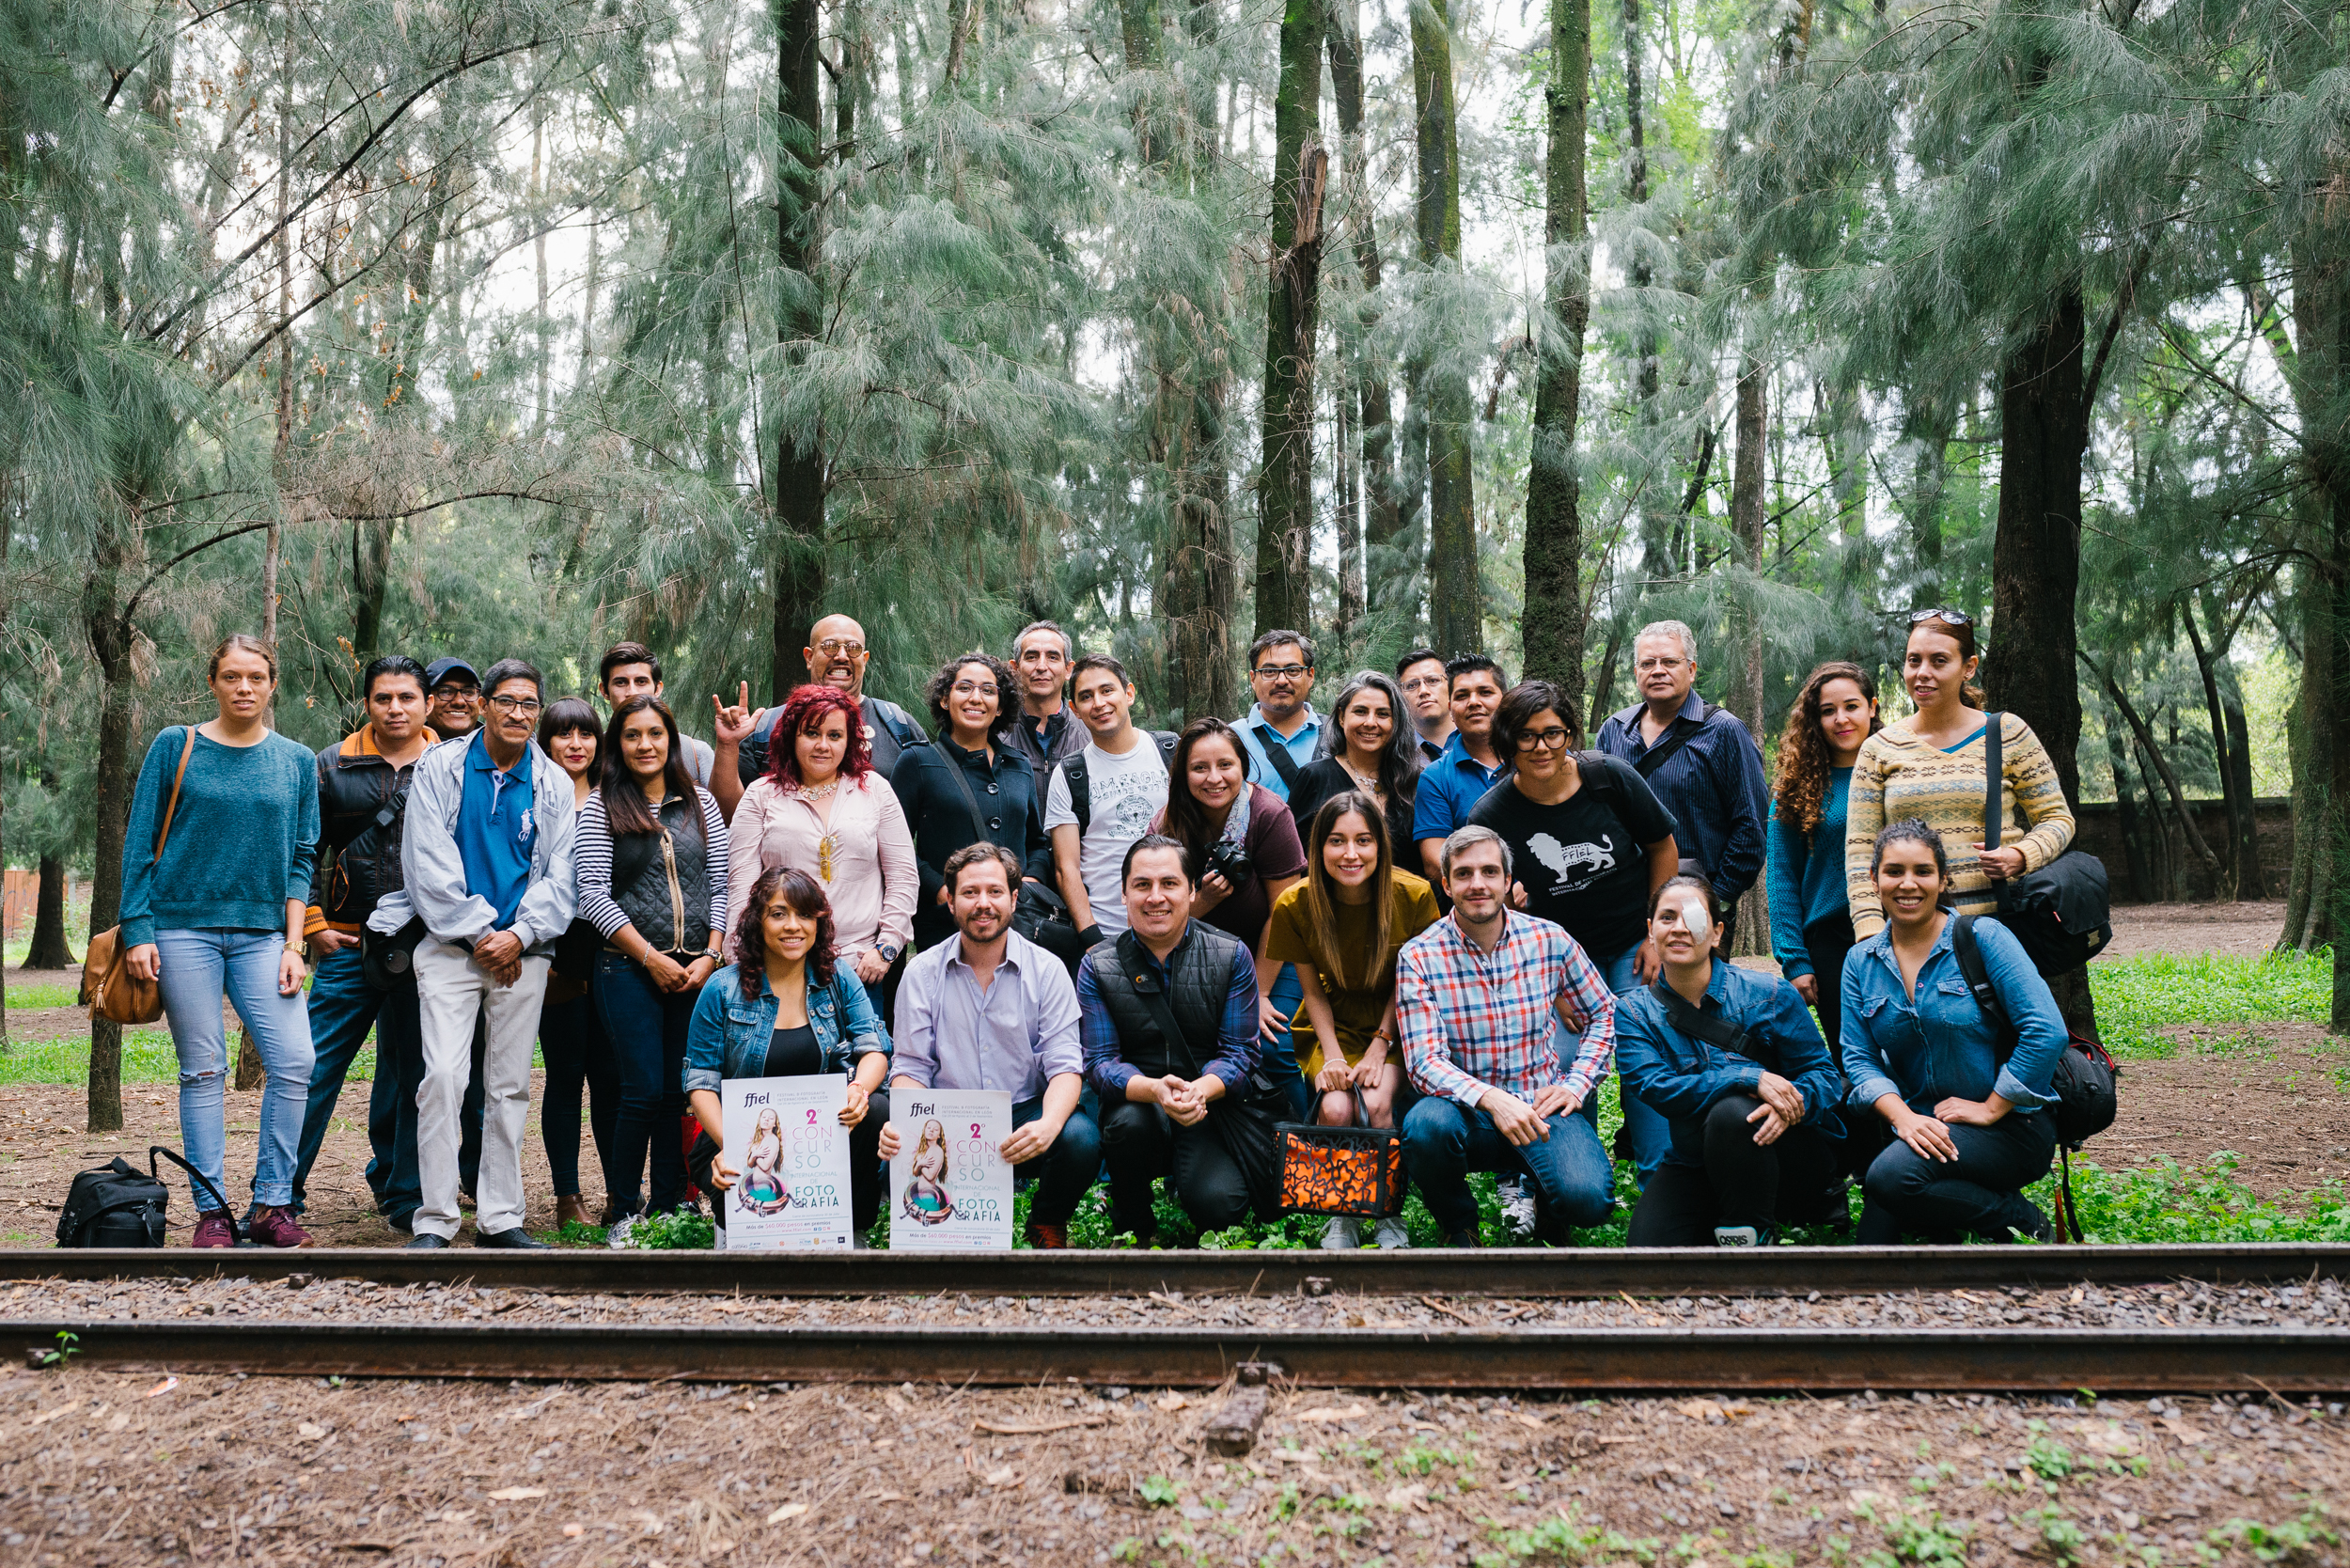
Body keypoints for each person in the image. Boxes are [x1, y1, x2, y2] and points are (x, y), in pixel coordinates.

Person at [118, 635, 321, 1248]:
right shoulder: (175, 746)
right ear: (213, 682)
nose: (243, 688)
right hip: (183, 931)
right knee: (203, 1070)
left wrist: (294, 946)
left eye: (255, 677)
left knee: (293, 1061)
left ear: (272, 683)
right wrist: (138, 929)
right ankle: (211, 1214)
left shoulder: (295, 761)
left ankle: (272, 1205)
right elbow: (140, 842)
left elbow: (302, 857)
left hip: (265, 937)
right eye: (231, 676)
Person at [380, 657, 578, 1250]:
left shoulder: (554, 783)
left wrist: (518, 936)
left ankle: (500, 1217)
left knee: (510, 1084)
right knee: (441, 1076)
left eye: (529, 704)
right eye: (508, 702)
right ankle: (436, 1218)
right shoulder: (440, 768)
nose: (518, 713)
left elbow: (563, 877)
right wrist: (483, 934)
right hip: (448, 948)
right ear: (484, 706)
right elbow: (425, 865)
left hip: (525, 951)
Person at [1465, 681, 1681, 1179]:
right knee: (1560, 1071)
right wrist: (1549, 983)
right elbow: (1499, 904)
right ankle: (1571, 1182)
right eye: (1526, 736)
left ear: (1570, 734)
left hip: (1632, 943)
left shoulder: (1609, 777)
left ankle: (1661, 1181)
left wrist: (1654, 935)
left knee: (1645, 1055)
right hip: (1556, 963)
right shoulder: (1492, 815)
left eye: (1553, 733)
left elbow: (1662, 847)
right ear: (1506, 741)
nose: (1541, 747)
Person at [1841, 819, 2064, 1243]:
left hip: (2011, 1129)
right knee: (1871, 1248)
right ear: (1874, 879)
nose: (1908, 884)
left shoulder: (1983, 938)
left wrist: (1992, 1107)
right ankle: (1950, 1211)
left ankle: (2020, 1218)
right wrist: (1904, 1118)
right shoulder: (1860, 961)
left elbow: (2046, 1030)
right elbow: (1859, 1058)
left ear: (1944, 880)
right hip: (1922, 1128)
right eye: (1894, 871)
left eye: (1923, 871)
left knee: (1888, 1179)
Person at [1395, 826, 1619, 1247]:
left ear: (1506, 881)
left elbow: (1604, 1011)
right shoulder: (1419, 955)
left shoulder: (1548, 939)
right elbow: (1425, 1062)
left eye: (1488, 872)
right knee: (1424, 1126)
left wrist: (1576, 1084)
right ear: (1446, 884)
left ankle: (1554, 1215)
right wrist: (1491, 1099)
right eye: (1463, 874)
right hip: (1464, 1115)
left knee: (1589, 1201)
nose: (1477, 884)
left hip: (1541, 1108)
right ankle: (1459, 1224)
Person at [885, 843, 1100, 1247]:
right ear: (950, 901)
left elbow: (1066, 1066)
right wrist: (909, 1125)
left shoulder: (1048, 970)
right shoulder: (920, 973)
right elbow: (911, 1068)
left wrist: (1048, 1125)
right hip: (947, 1118)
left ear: (1014, 899)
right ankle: (940, 1226)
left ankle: (1046, 1221)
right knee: (892, 1145)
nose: (983, 904)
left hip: (1023, 1112)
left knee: (1080, 1138)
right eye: (969, 893)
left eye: (995, 892)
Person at [1616, 875, 1846, 1247]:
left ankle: (1751, 1232)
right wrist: (1745, 1077)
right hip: (1695, 1159)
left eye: (1692, 918)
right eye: (1667, 917)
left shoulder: (1770, 994)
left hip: (1781, 1151)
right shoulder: (1635, 1012)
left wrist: (1784, 1109)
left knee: (1735, 1115)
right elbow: (1655, 1088)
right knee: (1648, 1249)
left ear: (1717, 932)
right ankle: (1724, 1218)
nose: (1679, 929)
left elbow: (1824, 1077)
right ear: (1651, 930)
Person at [574, 695, 731, 1239]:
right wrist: (651, 958)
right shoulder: (602, 807)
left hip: (695, 972)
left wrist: (711, 954)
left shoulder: (701, 805)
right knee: (639, 1090)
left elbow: (721, 885)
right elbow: (592, 895)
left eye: (656, 734)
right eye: (633, 735)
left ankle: (670, 1206)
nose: (646, 745)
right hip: (628, 970)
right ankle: (621, 1211)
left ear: (672, 741)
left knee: (678, 1092)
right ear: (619, 744)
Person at [290, 654, 435, 1236]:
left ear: (426, 704)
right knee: (311, 1067)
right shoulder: (330, 766)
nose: (395, 709)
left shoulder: (450, 765)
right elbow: (302, 849)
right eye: (383, 698)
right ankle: (279, 1192)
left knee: (414, 1073)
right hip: (348, 947)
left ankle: (405, 1196)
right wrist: (315, 925)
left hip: (426, 947)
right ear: (367, 703)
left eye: (407, 697)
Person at [1079, 837, 1280, 1244]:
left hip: (1211, 1103)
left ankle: (1192, 1183)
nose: (1156, 898)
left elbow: (1241, 1055)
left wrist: (1198, 1092)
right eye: (1142, 885)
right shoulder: (1097, 965)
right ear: (1123, 894)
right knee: (1127, 1127)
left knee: (1220, 1207)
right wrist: (1155, 1090)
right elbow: (1100, 1064)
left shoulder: (1231, 955)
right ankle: (1132, 1211)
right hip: (1140, 1104)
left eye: (1169, 884)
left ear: (1191, 890)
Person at [1262, 792, 1439, 1250]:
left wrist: (1381, 1045)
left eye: (1363, 840)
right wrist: (1334, 1056)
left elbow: (1412, 982)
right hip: (1334, 1021)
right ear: (1318, 847)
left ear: (1380, 845)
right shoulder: (1296, 903)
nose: (1350, 854)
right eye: (1337, 841)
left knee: (1377, 1104)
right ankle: (1344, 1209)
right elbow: (1313, 991)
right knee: (1335, 1107)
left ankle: (1386, 1213)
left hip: (1399, 1017)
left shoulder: (1414, 895)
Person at [685, 865, 892, 1243]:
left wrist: (858, 1089)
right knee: (753, 1227)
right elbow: (701, 1083)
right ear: (757, 923)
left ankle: (850, 1231)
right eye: (778, 914)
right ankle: (739, 1232)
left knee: (876, 1108)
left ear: (819, 923)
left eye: (804, 914)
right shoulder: (722, 989)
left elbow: (874, 1048)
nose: (793, 925)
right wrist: (731, 1146)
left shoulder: (838, 976)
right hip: (738, 1137)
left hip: (818, 1134)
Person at [1843, 610, 2076, 945]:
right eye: (1914, 661)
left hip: (1999, 932)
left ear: (1968, 668)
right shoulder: (1879, 748)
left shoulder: (2007, 733)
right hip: (1912, 937)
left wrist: (2022, 855)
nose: (1922, 673)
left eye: (1939, 661)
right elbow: (1861, 849)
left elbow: (2058, 818)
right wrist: (1868, 930)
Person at [1150, 718, 1309, 1114]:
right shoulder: (1168, 822)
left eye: (1225, 765)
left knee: (1272, 1044)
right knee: (1188, 1050)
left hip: (1271, 952)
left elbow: (1284, 912)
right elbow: (1158, 910)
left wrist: (1260, 993)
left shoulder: (1269, 814)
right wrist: (1200, 904)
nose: (1214, 778)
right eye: (1199, 768)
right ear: (1183, 774)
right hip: (1195, 956)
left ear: (1243, 766)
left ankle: (1303, 1150)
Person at [725, 683, 917, 994]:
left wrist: (886, 948)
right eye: (812, 733)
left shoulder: (876, 790)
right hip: (777, 966)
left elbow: (903, 877)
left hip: (859, 968)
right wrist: (738, 960)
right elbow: (741, 885)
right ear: (792, 735)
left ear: (850, 738)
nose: (823, 746)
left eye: (835, 735)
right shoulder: (760, 796)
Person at [1594, 620, 1770, 941]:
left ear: (1690, 669)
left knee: (1694, 992)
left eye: (1669, 662)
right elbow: (1595, 818)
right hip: (1624, 909)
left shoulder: (1723, 731)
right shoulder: (1613, 732)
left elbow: (1751, 827)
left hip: (1697, 907)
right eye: (1648, 663)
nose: (1657, 671)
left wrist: (1717, 900)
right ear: (1637, 673)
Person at [890, 652, 1053, 951]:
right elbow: (894, 847)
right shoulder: (917, 762)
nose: (976, 698)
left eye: (988, 690)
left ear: (1000, 706)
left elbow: (1037, 843)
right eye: (964, 687)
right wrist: (941, 889)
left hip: (1016, 924)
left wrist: (1029, 882)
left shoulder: (1019, 765)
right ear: (944, 698)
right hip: (945, 925)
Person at [536, 697, 619, 1230]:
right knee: (565, 1079)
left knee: (612, 1082)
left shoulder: (618, 798)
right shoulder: (534, 796)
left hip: (613, 962)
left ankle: (620, 1194)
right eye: (563, 735)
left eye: (585, 734)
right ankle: (568, 1196)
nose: (575, 745)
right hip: (553, 965)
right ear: (546, 743)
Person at [1768, 662, 1881, 1048]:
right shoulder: (1796, 786)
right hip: (1833, 941)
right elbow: (1781, 875)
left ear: (1873, 707)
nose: (1841, 719)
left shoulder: (1900, 769)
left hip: (1905, 927)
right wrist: (1794, 960)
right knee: (1851, 1051)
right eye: (1828, 711)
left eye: (1851, 706)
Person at [1042, 655, 1176, 944]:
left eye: (1107, 690)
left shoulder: (1171, 752)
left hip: (1179, 926)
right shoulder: (1070, 774)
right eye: (1086, 697)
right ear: (1074, 709)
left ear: (1128, 693)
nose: (1099, 703)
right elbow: (1067, 869)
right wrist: (1092, 938)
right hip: (1108, 933)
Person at [729, 612, 931, 792]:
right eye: (830, 646)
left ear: (865, 660)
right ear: (809, 657)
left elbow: (929, 805)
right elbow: (732, 814)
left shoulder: (898, 726)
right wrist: (726, 745)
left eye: (853, 648)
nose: (842, 656)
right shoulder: (768, 727)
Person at [1288, 670, 1422, 855]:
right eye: (1360, 711)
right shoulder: (1315, 778)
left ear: (1396, 722)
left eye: (1383, 714)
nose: (1370, 722)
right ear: (1342, 717)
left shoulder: (1414, 780)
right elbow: (1295, 856)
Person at [1411, 655, 1509, 884]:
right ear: (1451, 710)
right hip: (1476, 901)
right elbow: (1435, 862)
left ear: (1506, 701)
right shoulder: (1436, 778)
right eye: (1462, 696)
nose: (1474, 702)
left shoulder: (1534, 757)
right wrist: (1499, 889)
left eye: (1485, 692)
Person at [599, 641, 715, 787]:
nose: (632, 692)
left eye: (641, 682)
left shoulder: (695, 754)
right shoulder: (590, 755)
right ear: (604, 690)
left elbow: (725, 809)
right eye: (621, 683)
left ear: (657, 689)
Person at [1232, 631, 1323, 805]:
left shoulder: (1335, 734)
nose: (1281, 680)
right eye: (1269, 671)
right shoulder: (1231, 737)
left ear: (1310, 676)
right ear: (1253, 679)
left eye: (1292, 670)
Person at [1005, 619, 1087, 797]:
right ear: (1015, 669)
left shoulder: (1091, 734)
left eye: (1053, 657)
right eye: (1031, 657)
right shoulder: (994, 735)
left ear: (1068, 670)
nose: (1042, 667)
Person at [1394, 649, 1453, 761]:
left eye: (1433, 680)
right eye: (1411, 685)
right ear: (1401, 695)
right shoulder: (1395, 757)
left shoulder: (1481, 741)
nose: (1423, 691)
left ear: (1450, 686)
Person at [424, 657, 482, 740]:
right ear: (426, 703)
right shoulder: (403, 750)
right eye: (446, 692)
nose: (459, 701)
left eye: (468, 692)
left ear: (481, 704)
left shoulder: (501, 750)